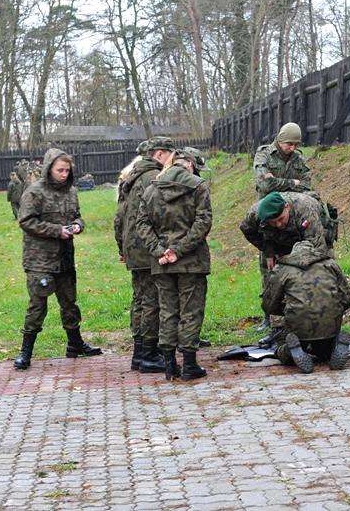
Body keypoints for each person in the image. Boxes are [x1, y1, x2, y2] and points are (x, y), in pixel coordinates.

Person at [13, 148, 102, 370]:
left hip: (65, 257)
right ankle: (25, 352)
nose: (64, 174)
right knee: (37, 306)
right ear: (49, 168)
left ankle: (75, 344)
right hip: (40, 260)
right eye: (60, 170)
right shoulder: (34, 192)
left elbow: (77, 216)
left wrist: (77, 225)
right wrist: (56, 230)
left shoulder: (71, 192)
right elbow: (26, 221)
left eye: (67, 170)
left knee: (69, 302)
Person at [137, 148, 212, 381]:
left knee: (167, 311)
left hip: (162, 262)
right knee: (191, 311)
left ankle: (169, 365)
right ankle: (189, 365)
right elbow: (203, 222)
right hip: (191, 261)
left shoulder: (151, 190)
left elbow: (142, 225)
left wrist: (160, 250)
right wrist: (179, 250)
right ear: (190, 164)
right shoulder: (198, 186)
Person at [240, 191, 334, 347]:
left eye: (280, 219)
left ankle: (321, 321)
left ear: (287, 206)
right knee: (275, 277)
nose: (278, 224)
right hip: (278, 243)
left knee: (316, 274)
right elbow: (247, 230)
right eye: (273, 222)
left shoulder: (306, 209)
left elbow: (318, 250)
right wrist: (268, 251)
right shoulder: (255, 214)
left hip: (311, 240)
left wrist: (292, 264)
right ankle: (280, 328)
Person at [114, 137, 176, 373]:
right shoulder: (154, 177)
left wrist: (122, 247)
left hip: (134, 248)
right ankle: (149, 353)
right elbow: (160, 215)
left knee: (140, 299)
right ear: (160, 154)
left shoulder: (131, 177)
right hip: (149, 248)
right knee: (152, 300)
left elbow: (119, 218)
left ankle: (139, 353)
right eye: (171, 154)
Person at [262, 241, 350, 374]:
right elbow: (347, 298)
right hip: (330, 323)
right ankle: (333, 347)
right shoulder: (330, 264)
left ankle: (290, 350)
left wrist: (286, 310)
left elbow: (269, 305)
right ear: (314, 251)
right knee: (323, 350)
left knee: (283, 348)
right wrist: (333, 309)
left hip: (298, 324)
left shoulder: (282, 268)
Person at [253, 122, 314, 199]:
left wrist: (276, 182)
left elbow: (307, 185)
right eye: (289, 144)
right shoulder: (264, 154)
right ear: (280, 140)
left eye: (296, 145)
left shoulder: (298, 158)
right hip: (270, 204)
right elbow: (265, 184)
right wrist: (293, 183)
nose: (292, 148)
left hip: (294, 203)